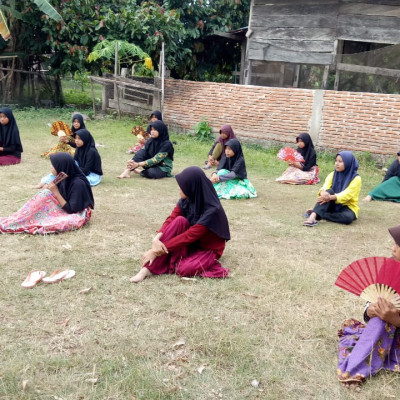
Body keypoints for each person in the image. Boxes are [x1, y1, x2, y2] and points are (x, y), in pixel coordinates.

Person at [130, 166, 230, 283]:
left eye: (182, 185)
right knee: (179, 221)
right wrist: (156, 239)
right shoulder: (187, 199)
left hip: (208, 249)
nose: (179, 188)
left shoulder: (212, 210)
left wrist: (155, 251)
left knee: (183, 269)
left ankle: (177, 261)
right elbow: (172, 218)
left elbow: (190, 235)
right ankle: (147, 269)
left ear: (192, 187)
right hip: (192, 243)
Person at [337, 225, 400, 388]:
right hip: (386, 331)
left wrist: (396, 319)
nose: (393, 248)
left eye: (398, 245)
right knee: (379, 318)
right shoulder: (390, 268)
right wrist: (370, 311)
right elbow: (372, 300)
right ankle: (354, 370)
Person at [0, 153, 94, 234]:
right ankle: (17, 219)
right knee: (44, 195)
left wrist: (55, 192)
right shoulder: (64, 176)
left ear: (61, 167)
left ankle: (17, 223)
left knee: (59, 222)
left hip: (77, 213)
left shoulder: (78, 183)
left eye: (53, 166)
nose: (51, 167)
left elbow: (72, 210)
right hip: (64, 205)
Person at [303, 151, 361, 226]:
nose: (337, 163)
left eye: (340, 161)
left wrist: (330, 197)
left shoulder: (356, 178)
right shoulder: (333, 174)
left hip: (347, 206)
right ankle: (312, 217)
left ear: (348, 163)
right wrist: (324, 194)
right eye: (336, 161)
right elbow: (325, 187)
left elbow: (347, 195)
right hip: (331, 203)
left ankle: (320, 213)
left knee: (347, 218)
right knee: (329, 191)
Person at [36, 129, 102, 188]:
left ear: (85, 139)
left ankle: (52, 184)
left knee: (75, 181)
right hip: (80, 170)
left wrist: (71, 172)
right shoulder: (79, 148)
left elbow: (87, 171)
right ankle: (44, 182)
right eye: (76, 138)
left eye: (79, 139)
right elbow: (74, 162)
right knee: (60, 172)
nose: (76, 141)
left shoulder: (91, 152)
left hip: (91, 175)